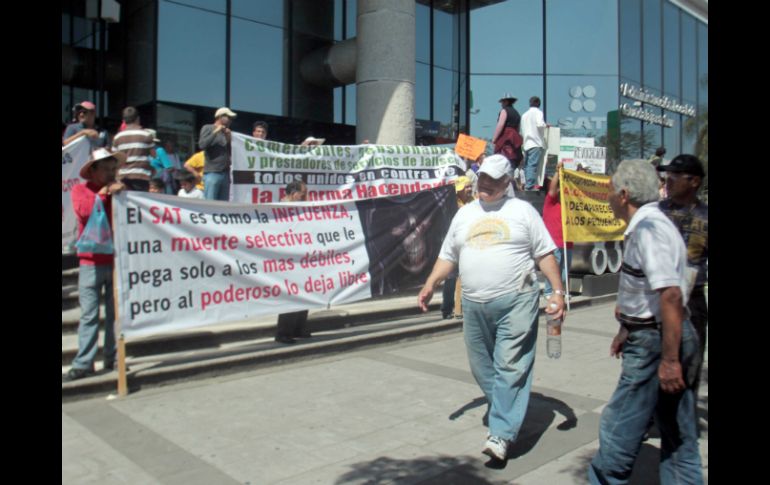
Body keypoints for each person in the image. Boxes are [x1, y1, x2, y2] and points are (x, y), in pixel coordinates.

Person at [417, 154, 566, 462]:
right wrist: (431, 283)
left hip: (517, 300)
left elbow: (545, 254)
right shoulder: (465, 215)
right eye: (482, 177)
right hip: (474, 305)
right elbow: (449, 255)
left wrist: (558, 292)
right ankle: (507, 406)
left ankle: (501, 433)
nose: (484, 184)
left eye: (492, 180)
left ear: (506, 183)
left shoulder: (522, 211)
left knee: (511, 365)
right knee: (481, 366)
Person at [588, 159, 703, 485]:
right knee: (678, 436)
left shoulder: (648, 230)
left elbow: (669, 295)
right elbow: (652, 293)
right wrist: (627, 327)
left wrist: (668, 360)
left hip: (656, 344)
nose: (608, 197)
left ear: (623, 195)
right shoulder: (654, 225)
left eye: (610, 191)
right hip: (659, 334)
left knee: (616, 433)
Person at [66, 148, 127, 381]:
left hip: (114, 261)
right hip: (90, 262)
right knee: (89, 315)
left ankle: (112, 359)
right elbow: (84, 212)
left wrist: (119, 194)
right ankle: (84, 363)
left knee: (114, 316)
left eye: (114, 169)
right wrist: (104, 194)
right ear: (93, 171)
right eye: (106, 169)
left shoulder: (119, 192)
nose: (112, 173)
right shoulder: (80, 190)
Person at [656, 154, 708, 417]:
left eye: (675, 177)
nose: (669, 181)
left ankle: (683, 416)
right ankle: (652, 415)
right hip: (657, 298)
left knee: (690, 361)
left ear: (694, 181)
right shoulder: (657, 212)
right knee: (653, 358)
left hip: (692, 300)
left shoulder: (705, 216)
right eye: (667, 176)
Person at [275, 181, 312, 344]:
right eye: (303, 194)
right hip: (288, 259)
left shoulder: (302, 209)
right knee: (290, 295)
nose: (306, 197)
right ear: (293, 193)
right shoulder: (279, 209)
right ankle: (283, 332)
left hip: (302, 257)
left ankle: (299, 327)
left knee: (305, 292)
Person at [441, 176, 473, 320]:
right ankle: (447, 308)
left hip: (470, 246)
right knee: (450, 278)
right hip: (454, 245)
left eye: (470, 186)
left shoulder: (475, 203)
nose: (469, 189)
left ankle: (463, 308)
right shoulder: (452, 204)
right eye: (465, 187)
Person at [542, 162, 573, 299]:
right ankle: (549, 292)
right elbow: (553, 189)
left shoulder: (569, 204)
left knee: (565, 271)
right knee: (554, 268)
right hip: (554, 242)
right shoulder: (551, 201)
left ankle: (562, 291)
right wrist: (557, 172)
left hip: (568, 241)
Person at [112, 106, 154, 191]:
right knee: (140, 203)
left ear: (124, 121)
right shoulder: (146, 135)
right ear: (138, 118)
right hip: (141, 176)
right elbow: (153, 154)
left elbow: (114, 158)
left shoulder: (117, 137)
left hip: (122, 177)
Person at [199, 107, 237, 201]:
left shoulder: (228, 132)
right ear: (220, 117)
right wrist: (216, 131)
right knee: (210, 203)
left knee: (223, 206)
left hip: (225, 174)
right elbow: (202, 144)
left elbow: (232, 153)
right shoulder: (208, 127)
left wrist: (229, 138)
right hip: (212, 173)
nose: (230, 120)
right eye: (229, 117)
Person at [520, 96, 548, 190]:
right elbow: (540, 124)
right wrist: (546, 125)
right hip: (535, 142)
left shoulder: (524, 115)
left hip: (526, 143)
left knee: (527, 166)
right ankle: (530, 186)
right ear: (538, 104)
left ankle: (528, 184)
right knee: (532, 165)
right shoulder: (538, 112)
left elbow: (522, 130)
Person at [491, 93, 523, 169]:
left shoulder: (504, 111)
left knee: (503, 158)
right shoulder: (517, 113)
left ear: (506, 102)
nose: (501, 104)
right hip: (514, 138)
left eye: (502, 102)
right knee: (513, 158)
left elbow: (500, 125)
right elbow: (518, 128)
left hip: (505, 137)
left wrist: (494, 139)